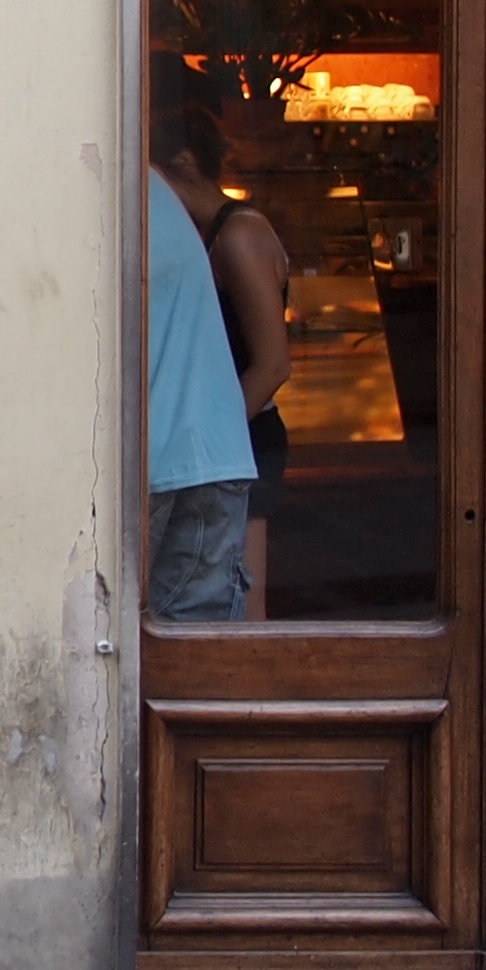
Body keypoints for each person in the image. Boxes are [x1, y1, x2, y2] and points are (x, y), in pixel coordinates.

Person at [154, 77, 292, 616]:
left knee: (244, 606)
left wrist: (211, 427)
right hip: (222, 431)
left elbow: (273, 364)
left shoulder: (237, 235)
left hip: (244, 428)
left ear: (183, 164)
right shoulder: (205, 237)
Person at [143, 63, 260, 621]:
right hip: (212, 452)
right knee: (195, 646)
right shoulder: (150, 197)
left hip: (157, 456)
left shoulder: (125, 192)